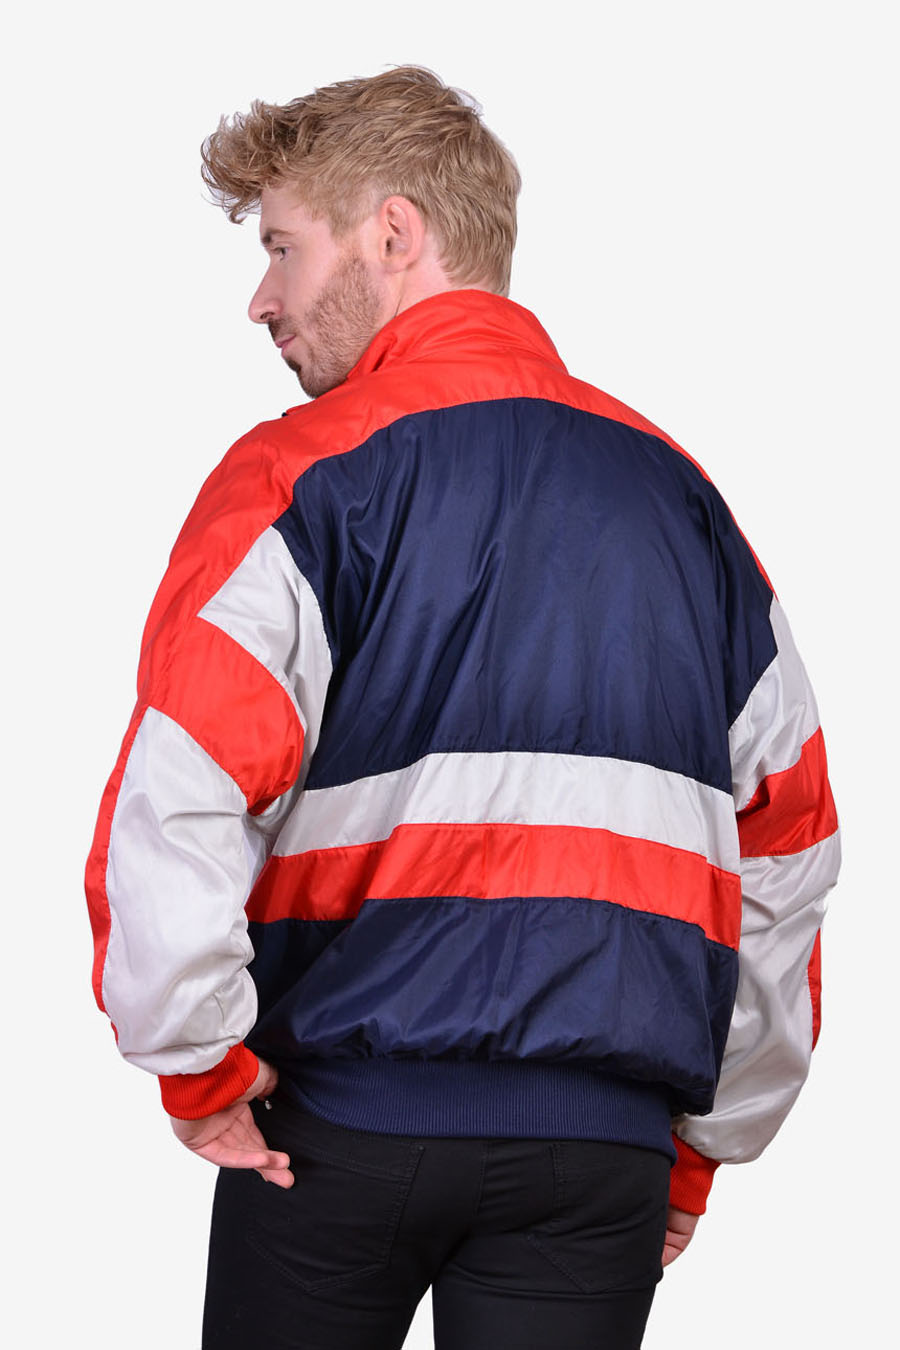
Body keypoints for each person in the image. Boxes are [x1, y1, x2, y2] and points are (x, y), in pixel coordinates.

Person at [84, 66, 840, 1350]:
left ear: (393, 233)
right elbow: (789, 845)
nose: (261, 300)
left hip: (336, 1132)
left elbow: (180, 790)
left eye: (281, 247)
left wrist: (197, 1064)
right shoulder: (685, 507)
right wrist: (709, 1138)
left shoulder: (298, 476)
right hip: (597, 1159)